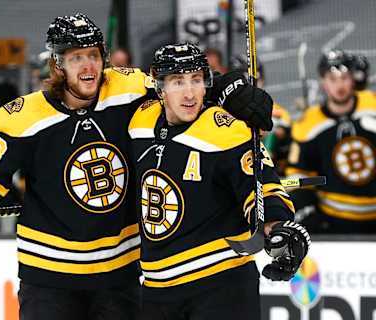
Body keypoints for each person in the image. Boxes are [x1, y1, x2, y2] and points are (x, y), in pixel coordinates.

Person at [0, 13, 273, 320]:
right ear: (57, 65)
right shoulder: (24, 117)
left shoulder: (128, 88)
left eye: (93, 56)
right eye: (76, 58)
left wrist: (231, 89)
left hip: (120, 276)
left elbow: (183, 86)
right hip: (49, 279)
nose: (88, 67)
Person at [128, 43, 310, 320]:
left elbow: (262, 186)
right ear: (160, 85)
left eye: (197, 80)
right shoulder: (139, 120)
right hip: (156, 288)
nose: (189, 93)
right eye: (178, 81)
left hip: (220, 282)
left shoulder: (226, 129)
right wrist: (230, 85)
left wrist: (276, 226)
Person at [286, 49, 376, 233]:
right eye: (332, 79)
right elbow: (296, 177)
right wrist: (305, 207)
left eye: (344, 78)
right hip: (332, 221)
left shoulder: (372, 106)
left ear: (353, 80)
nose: (339, 85)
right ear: (323, 82)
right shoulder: (308, 123)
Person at [230, 55, 292, 175]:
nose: (253, 87)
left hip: (270, 174)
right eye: (246, 82)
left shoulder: (278, 112)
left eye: (257, 80)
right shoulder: (221, 113)